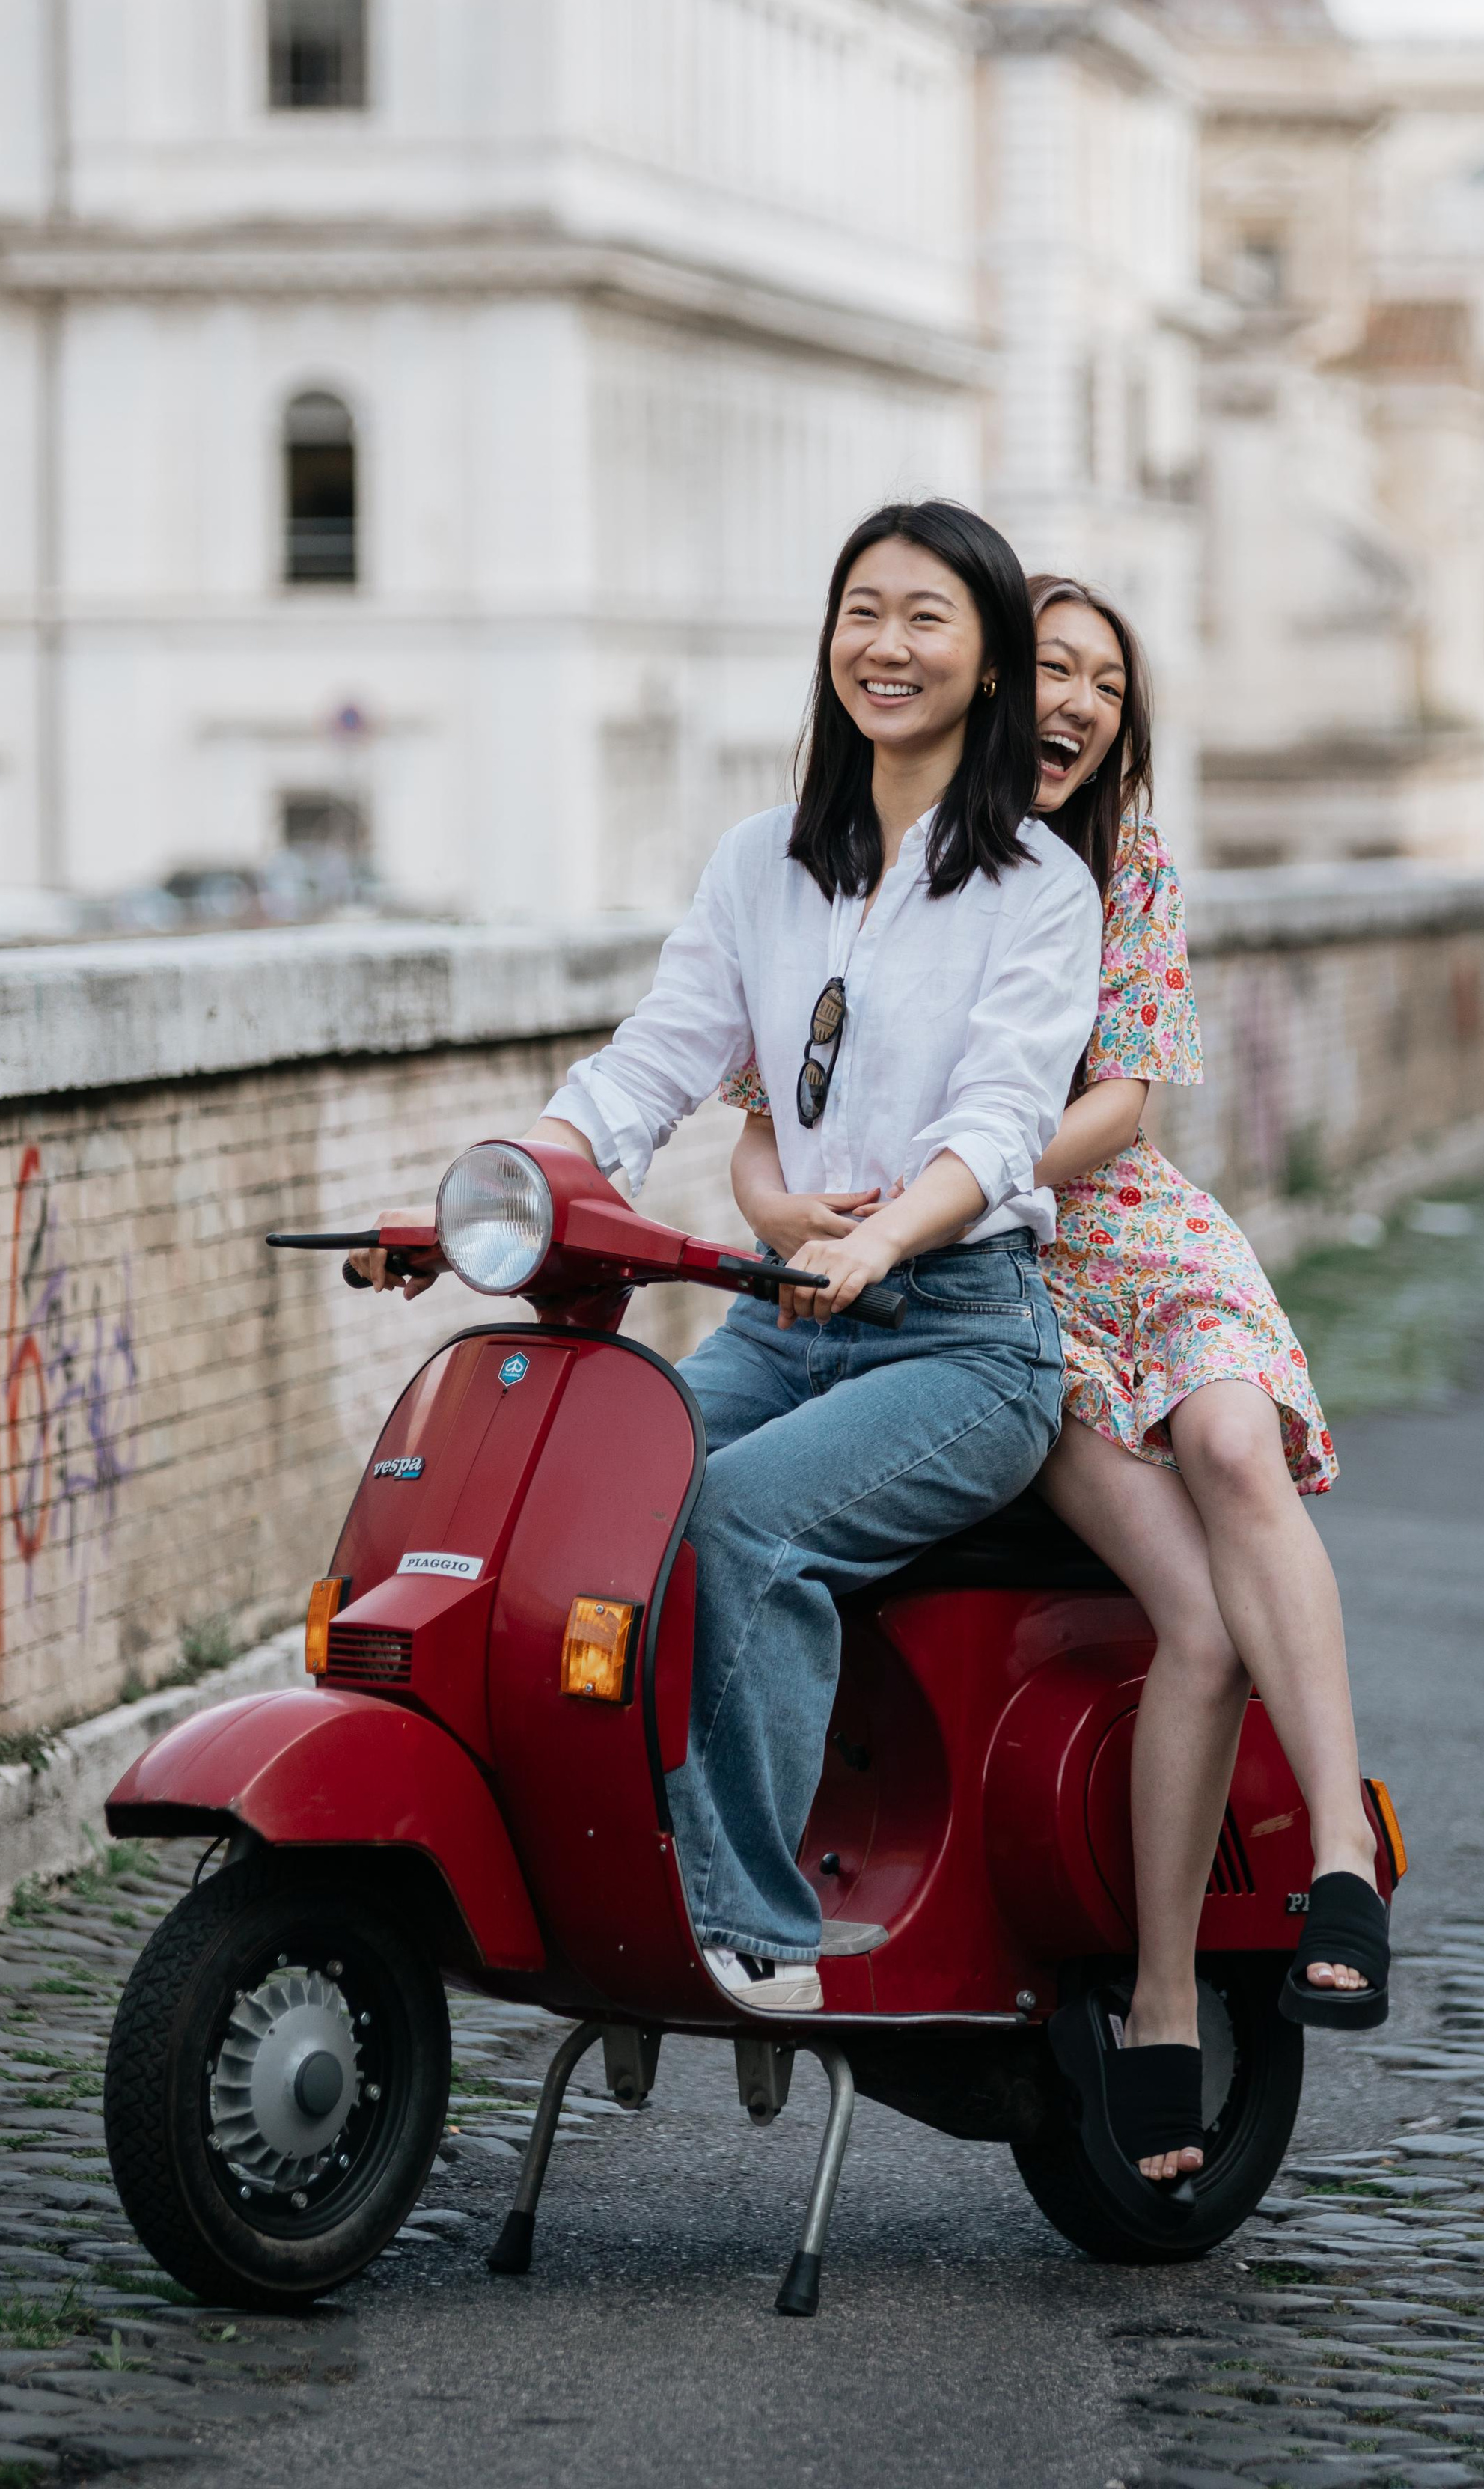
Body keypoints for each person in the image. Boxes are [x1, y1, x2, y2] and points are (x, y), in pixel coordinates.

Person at [359, 500, 1101, 2018]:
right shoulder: (762, 862)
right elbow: (650, 1067)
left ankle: (747, 1926)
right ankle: (588, 1862)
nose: (884, 647)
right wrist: (493, 1198)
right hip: (785, 1324)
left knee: (744, 1522)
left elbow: (1005, 1116)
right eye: (860, 613)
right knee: (583, 1503)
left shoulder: (1039, 886)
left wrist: (886, 1232)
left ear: (991, 662)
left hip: (962, 1339)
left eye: (925, 619)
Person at [725, 572, 1386, 2169]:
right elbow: (760, 1109)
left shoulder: (1122, 860)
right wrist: (785, 1209)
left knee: (1234, 1446)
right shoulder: (874, 859)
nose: (1078, 702)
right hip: (989, 1290)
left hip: (1115, 1235)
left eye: (1105, 681)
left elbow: (1125, 1098)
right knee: (1190, 1623)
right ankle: (1162, 1999)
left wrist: (965, 1164)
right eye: (1055, 670)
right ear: (996, 687)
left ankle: (1343, 1853)